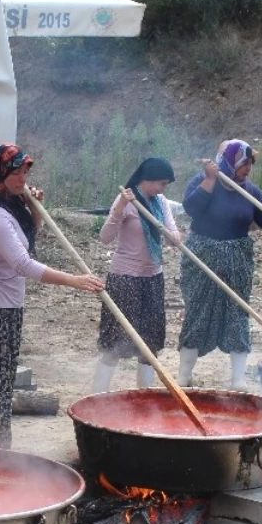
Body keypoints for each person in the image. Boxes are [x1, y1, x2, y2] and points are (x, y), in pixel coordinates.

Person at [0, 143, 105, 448]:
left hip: (2, 303)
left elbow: (23, 245)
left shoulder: (9, 206)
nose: (23, 178)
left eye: (25, 171)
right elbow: (22, 264)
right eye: (15, 172)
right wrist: (75, 281)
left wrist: (34, 210)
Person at [177, 139, 262, 389]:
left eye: (251, 164)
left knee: (237, 314)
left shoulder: (251, 192)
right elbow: (191, 207)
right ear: (229, 162)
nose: (249, 168)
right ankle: (184, 376)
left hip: (237, 259)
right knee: (198, 312)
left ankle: (237, 380)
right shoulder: (204, 181)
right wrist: (210, 180)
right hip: (203, 256)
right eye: (245, 163)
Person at [91, 157, 181, 393]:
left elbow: (171, 233)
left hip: (153, 278)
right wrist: (120, 208)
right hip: (125, 279)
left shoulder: (160, 202)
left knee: (149, 343)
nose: (162, 189)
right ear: (147, 179)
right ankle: (98, 396)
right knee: (114, 342)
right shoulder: (126, 200)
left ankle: (145, 396)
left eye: (165, 185)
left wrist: (175, 237)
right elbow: (105, 237)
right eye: (160, 183)